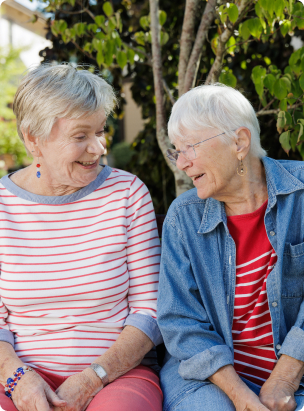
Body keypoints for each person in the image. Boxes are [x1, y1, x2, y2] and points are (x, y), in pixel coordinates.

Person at [0, 64, 163, 411]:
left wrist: (94, 376)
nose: (99, 147)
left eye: (100, 131)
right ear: (33, 139)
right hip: (17, 377)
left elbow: (150, 310)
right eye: (80, 136)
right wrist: (16, 378)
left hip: (117, 375)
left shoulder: (127, 194)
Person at [157, 84, 304, 411]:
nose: (181, 163)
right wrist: (240, 396)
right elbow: (181, 322)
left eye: (189, 147)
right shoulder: (183, 219)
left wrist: (284, 378)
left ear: (239, 142)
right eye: (176, 150)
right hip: (208, 380)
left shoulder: (302, 195)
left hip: (296, 375)